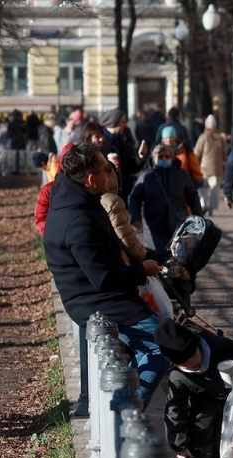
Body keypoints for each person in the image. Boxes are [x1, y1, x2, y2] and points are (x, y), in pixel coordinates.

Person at [42, 142, 167, 407]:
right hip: (97, 300)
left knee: (158, 340)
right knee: (164, 344)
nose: (111, 173)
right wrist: (141, 270)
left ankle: (115, 401)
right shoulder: (78, 221)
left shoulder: (72, 196)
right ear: (90, 179)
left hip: (101, 293)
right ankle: (123, 411)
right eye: (107, 169)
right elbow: (103, 278)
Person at [153, 318, 233, 458]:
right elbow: (174, 410)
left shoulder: (218, 345)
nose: (195, 364)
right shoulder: (178, 377)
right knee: (202, 425)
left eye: (194, 356)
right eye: (186, 364)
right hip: (200, 402)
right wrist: (179, 444)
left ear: (198, 345)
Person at [129, 144, 203, 252]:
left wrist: (199, 219)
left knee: (177, 259)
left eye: (167, 156)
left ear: (172, 158)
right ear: (154, 159)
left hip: (178, 224)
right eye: (160, 157)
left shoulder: (182, 175)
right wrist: (135, 218)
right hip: (153, 227)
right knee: (156, 260)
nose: (164, 159)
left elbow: (193, 197)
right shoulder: (146, 176)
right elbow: (134, 197)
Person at [194, 114, 228, 215]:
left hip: (204, 168)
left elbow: (197, 152)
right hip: (217, 168)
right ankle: (211, 208)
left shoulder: (203, 137)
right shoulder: (220, 138)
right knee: (214, 190)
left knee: (203, 188)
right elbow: (225, 152)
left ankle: (203, 205)